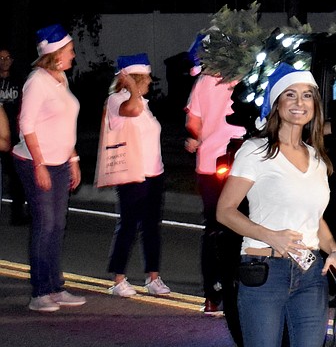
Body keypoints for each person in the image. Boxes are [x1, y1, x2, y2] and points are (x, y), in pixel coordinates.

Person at [216, 62, 336, 347]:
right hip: (264, 271)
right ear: (275, 103)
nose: (299, 102)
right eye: (290, 95)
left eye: (307, 95)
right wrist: (270, 235)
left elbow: (317, 221)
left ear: (315, 106)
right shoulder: (255, 152)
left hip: (310, 277)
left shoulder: (317, 159)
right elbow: (225, 211)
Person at [12, 25, 86, 313]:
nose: (74, 55)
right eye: (70, 51)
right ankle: (40, 293)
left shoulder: (61, 78)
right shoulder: (37, 81)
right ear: (55, 54)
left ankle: (55, 286)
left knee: (58, 225)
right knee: (45, 226)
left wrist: (74, 159)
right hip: (34, 161)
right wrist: (39, 165)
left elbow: (65, 124)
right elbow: (26, 126)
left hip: (60, 161)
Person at [184, 35, 245, 316]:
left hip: (209, 164)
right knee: (243, 225)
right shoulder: (242, 78)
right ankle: (242, 288)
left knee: (213, 228)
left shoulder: (202, 83)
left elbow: (192, 123)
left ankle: (212, 295)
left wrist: (202, 136)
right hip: (241, 162)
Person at [101, 54, 171, 298]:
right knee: (129, 225)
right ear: (135, 78)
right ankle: (118, 279)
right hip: (132, 174)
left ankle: (153, 277)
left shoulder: (144, 103)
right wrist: (131, 88)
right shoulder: (117, 100)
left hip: (154, 174)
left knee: (152, 227)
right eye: (147, 77)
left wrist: (136, 92)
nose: (151, 80)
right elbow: (131, 110)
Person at [0, 47, 28, 225]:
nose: (4, 61)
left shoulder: (18, 81)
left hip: (14, 135)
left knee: (17, 176)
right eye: (1, 58)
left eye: (7, 57)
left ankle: (17, 214)